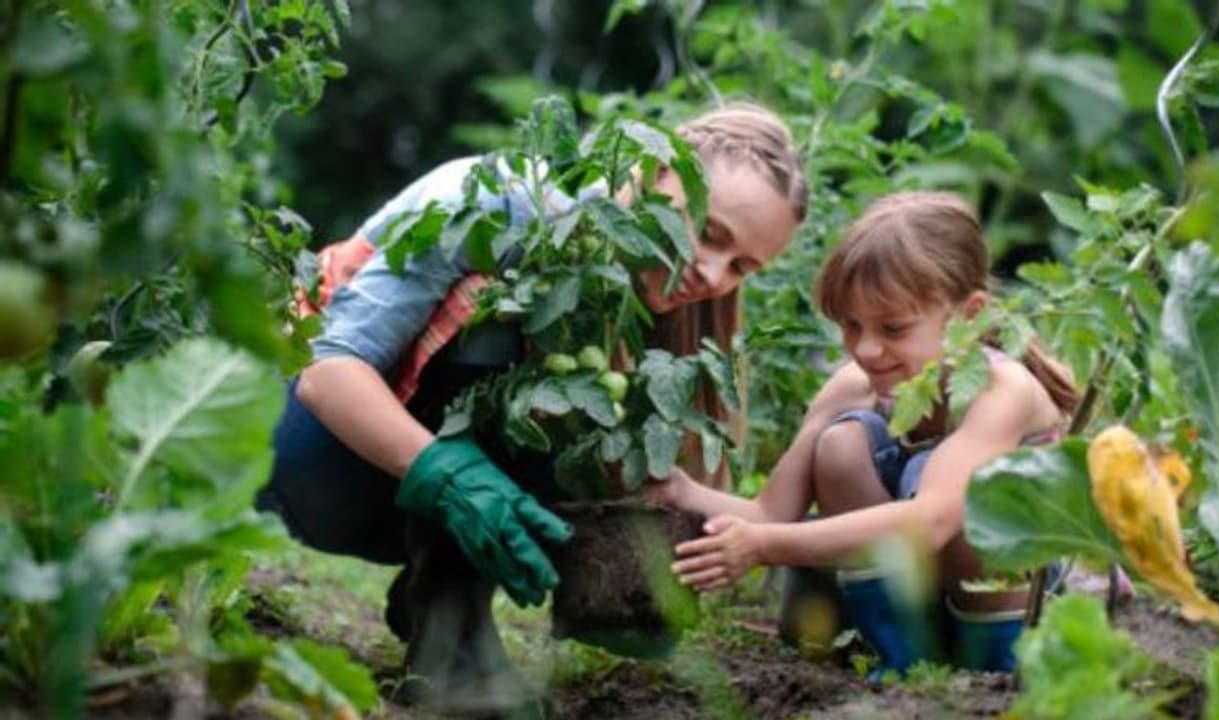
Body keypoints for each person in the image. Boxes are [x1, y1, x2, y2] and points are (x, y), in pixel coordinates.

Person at [255, 102, 808, 713]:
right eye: (709, 234)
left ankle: (437, 603)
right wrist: (449, 476)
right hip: (306, 454)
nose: (712, 273)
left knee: (582, 392)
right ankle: (455, 636)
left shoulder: (658, 305)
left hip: (402, 495)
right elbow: (327, 372)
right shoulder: (505, 207)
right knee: (499, 309)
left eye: (742, 267)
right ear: (656, 172)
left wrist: (630, 568)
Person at [648, 191, 1077, 676]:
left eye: (893, 329)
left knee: (979, 497)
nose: (867, 350)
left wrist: (762, 546)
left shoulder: (1002, 389)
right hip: (924, 592)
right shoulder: (855, 386)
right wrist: (677, 491)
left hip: (1016, 602)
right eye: (852, 325)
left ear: (969, 314)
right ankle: (900, 658)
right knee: (841, 445)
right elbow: (770, 513)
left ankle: (995, 669)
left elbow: (932, 520)